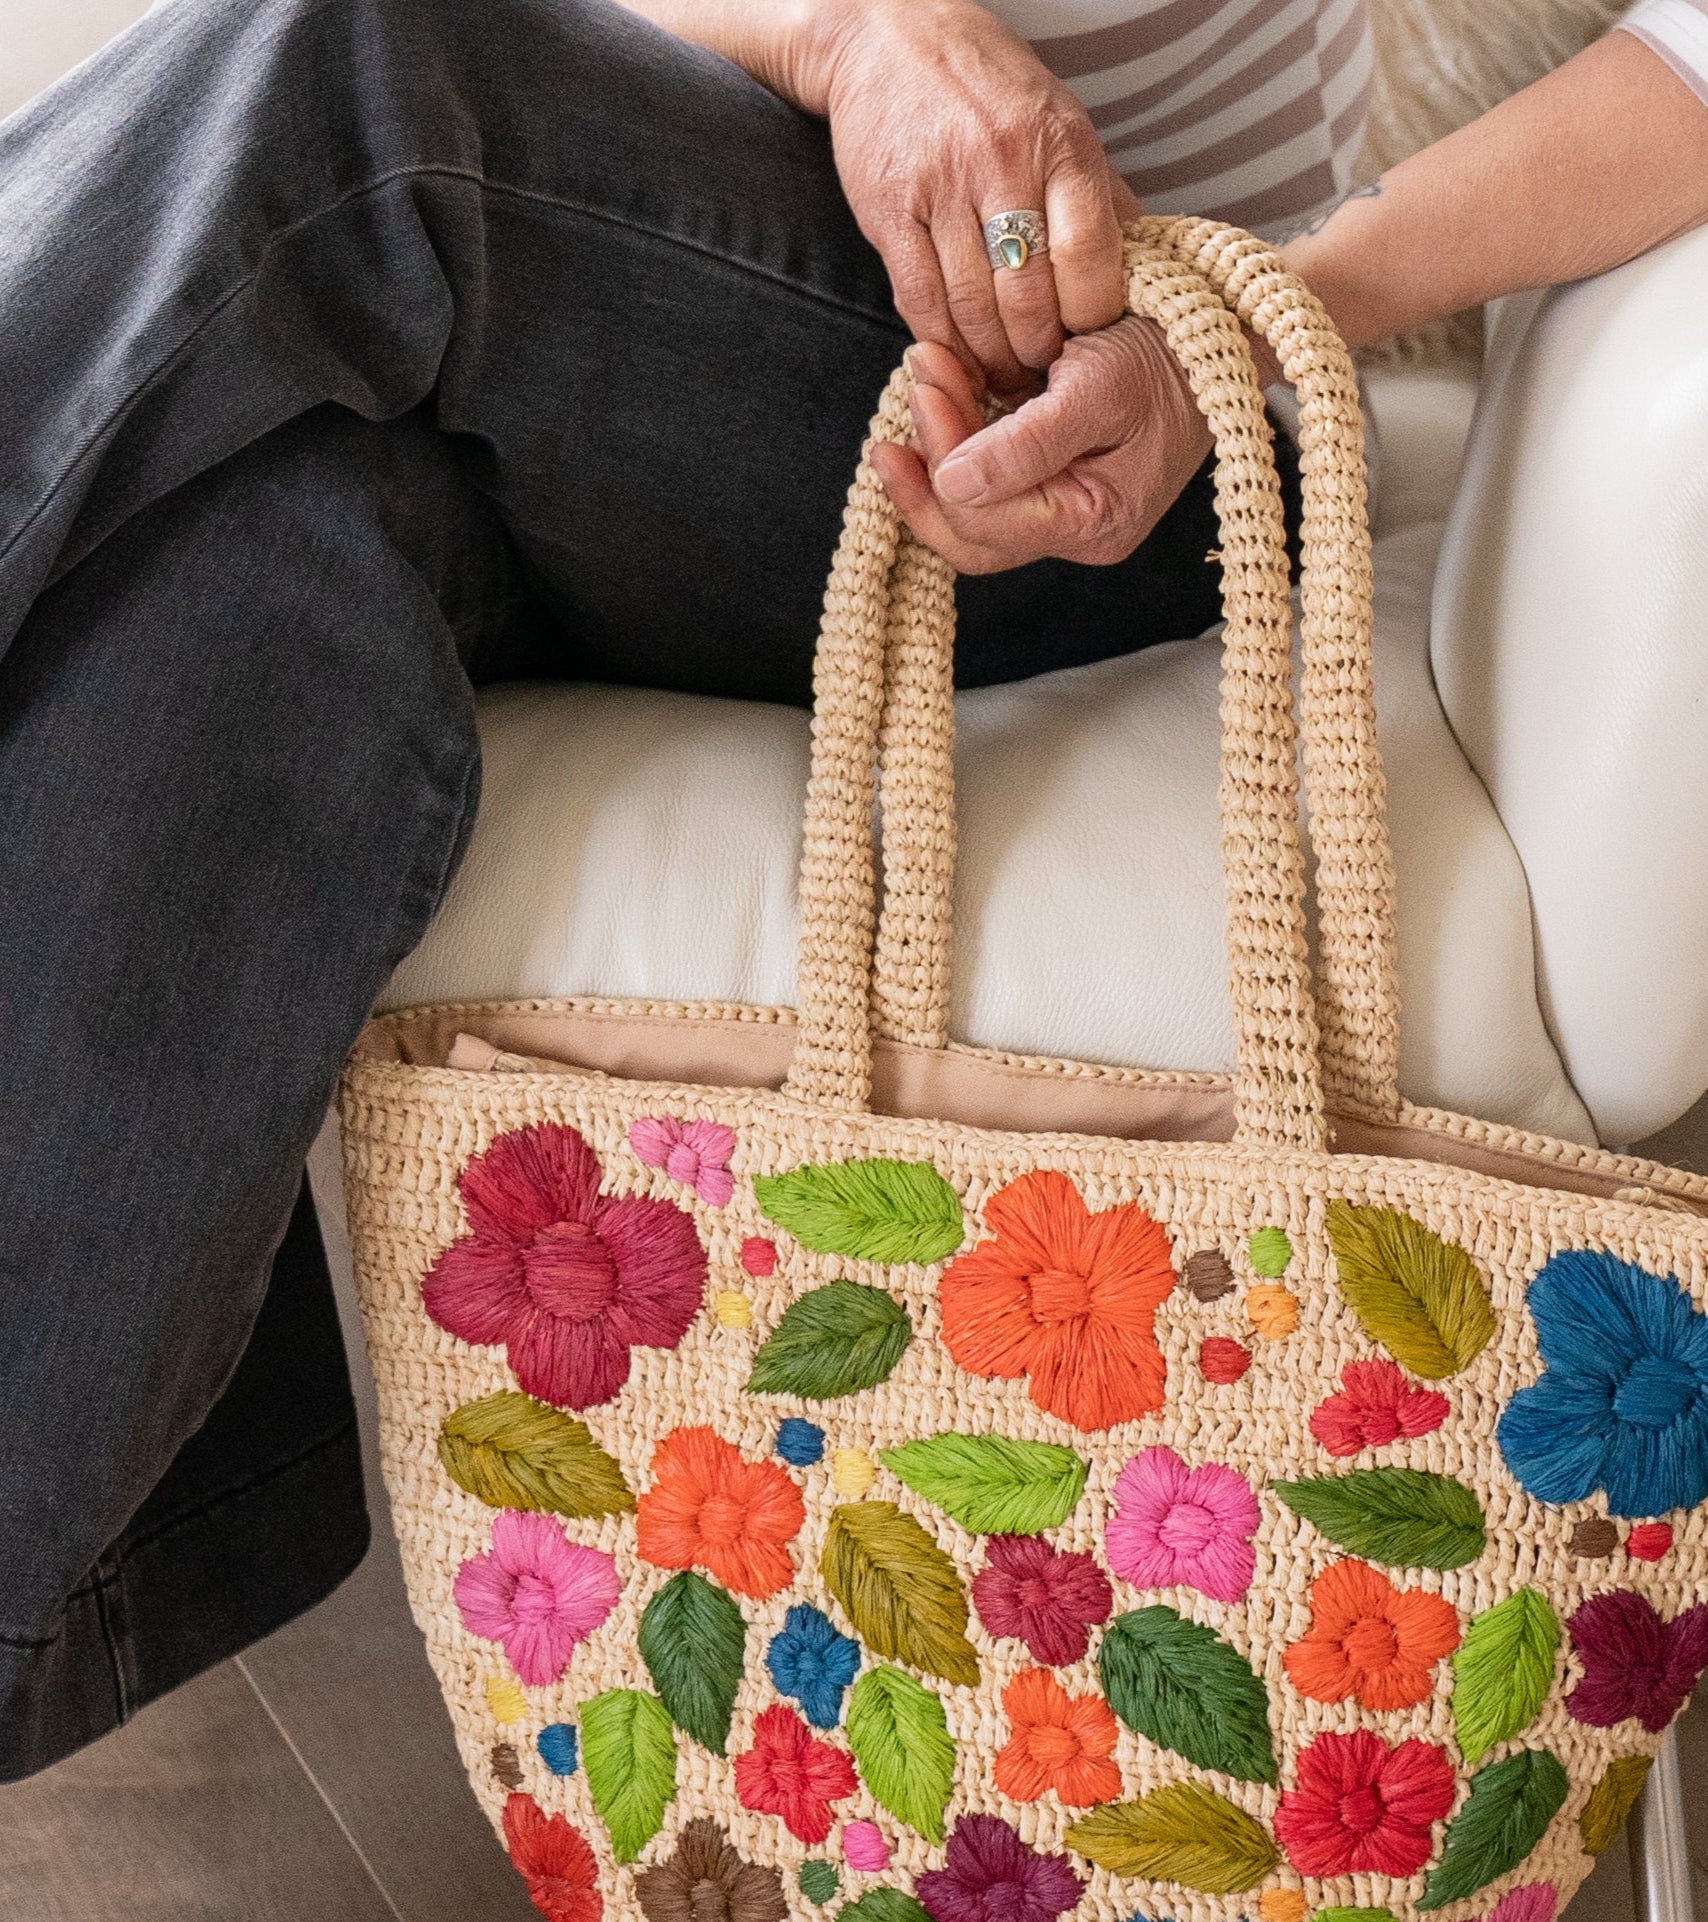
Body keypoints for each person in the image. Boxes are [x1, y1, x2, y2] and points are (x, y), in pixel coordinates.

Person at [2, 0, 1706, 1780]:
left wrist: (1264, 317)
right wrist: (846, 35)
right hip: (608, 278)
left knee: (350, 78)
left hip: (1103, 407)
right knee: (281, 556)